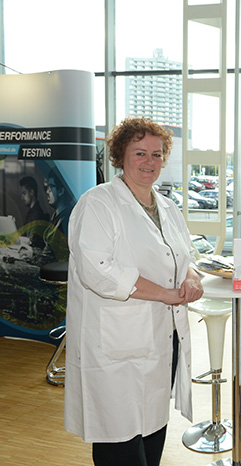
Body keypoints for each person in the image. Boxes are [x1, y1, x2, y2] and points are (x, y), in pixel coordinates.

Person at [64, 116, 204, 466]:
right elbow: (98, 270)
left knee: (153, 431)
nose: (149, 162)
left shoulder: (167, 207)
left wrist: (191, 278)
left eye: (157, 154)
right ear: (120, 156)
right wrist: (165, 294)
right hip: (115, 345)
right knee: (119, 443)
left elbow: (186, 255)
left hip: (162, 338)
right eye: (140, 153)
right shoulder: (98, 203)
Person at [19, 175, 48, 247]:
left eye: (24, 193)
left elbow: (32, 241)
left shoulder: (38, 215)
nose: (22, 197)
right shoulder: (31, 213)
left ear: (32, 192)